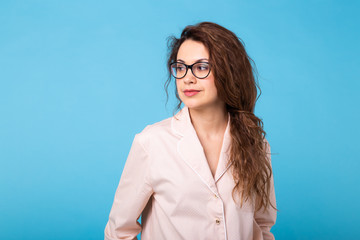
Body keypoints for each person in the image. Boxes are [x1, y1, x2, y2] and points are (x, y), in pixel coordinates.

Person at [104, 21, 277, 240]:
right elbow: (119, 232)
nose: (188, 78)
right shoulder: (152, 142)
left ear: (230, 72)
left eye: (201, 67)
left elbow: (262, 225)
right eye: (180, 67)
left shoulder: (257, 145)